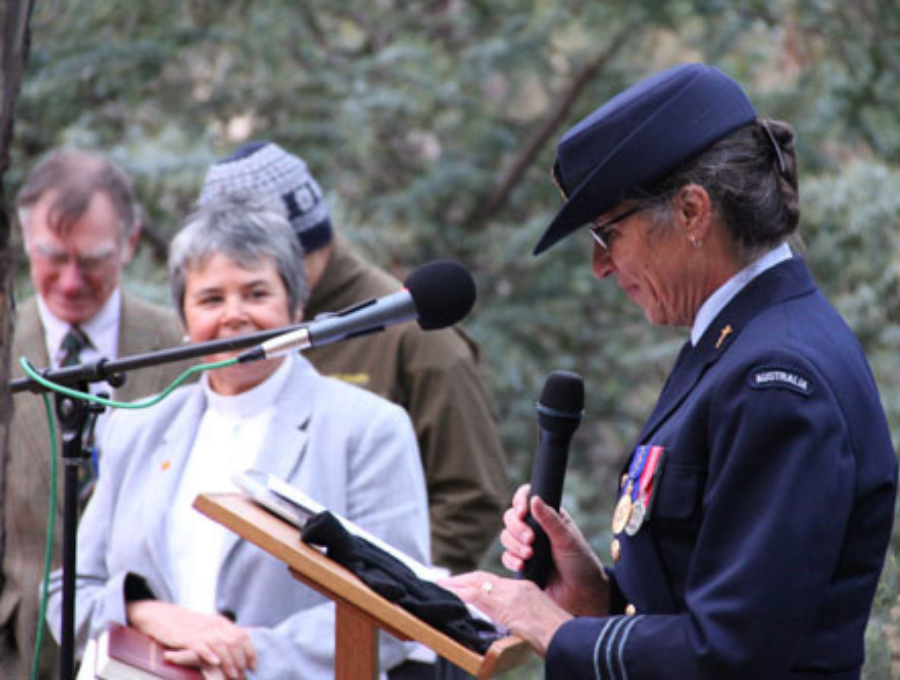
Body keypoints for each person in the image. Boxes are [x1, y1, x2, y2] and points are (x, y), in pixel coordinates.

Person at [444, 63, 898, 679]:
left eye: (608, 234)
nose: (600, 267)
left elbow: (734, 653)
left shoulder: (777, 376)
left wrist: (557, 630)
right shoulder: (742, 340)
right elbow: (709, 597)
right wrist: (597, 597)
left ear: (691, 212)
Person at [46, 193, 431, 679]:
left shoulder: (369, 427)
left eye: (256, 294)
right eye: (210, 299)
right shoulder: (137, 428)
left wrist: (240, 657)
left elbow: (401, 609)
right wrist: (149, 612)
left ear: (296, 308)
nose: (234, 315)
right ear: (184, 322)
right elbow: (68, 594)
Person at [198, 142, 509, 577]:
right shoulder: (223, 337)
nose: (238, 308)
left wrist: (396, 596)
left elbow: (471, 499)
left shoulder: (416, 338)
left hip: (368, 626)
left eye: (258, 276)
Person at [0, 148, 188, 678]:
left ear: (129, 243)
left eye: (92, 259)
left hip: (150, 658)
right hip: (20, 654)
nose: (70, 281)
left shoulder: (182, 350)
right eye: (52, 257)